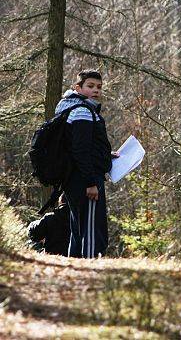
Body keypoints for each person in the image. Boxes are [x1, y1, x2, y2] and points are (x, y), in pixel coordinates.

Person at [55, 69, 118, 258]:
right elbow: (80, 150)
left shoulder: (67, 106)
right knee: (91, 230)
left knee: (78, 229)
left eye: (99, 87)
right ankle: (91, 272)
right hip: (85, 179)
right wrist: (91, 182)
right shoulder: (82, 111)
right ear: (78, 87)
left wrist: (105, 154)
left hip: (74, 177)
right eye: (90, 86)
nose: (96, 90)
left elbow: (81, 144)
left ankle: (74, 270)